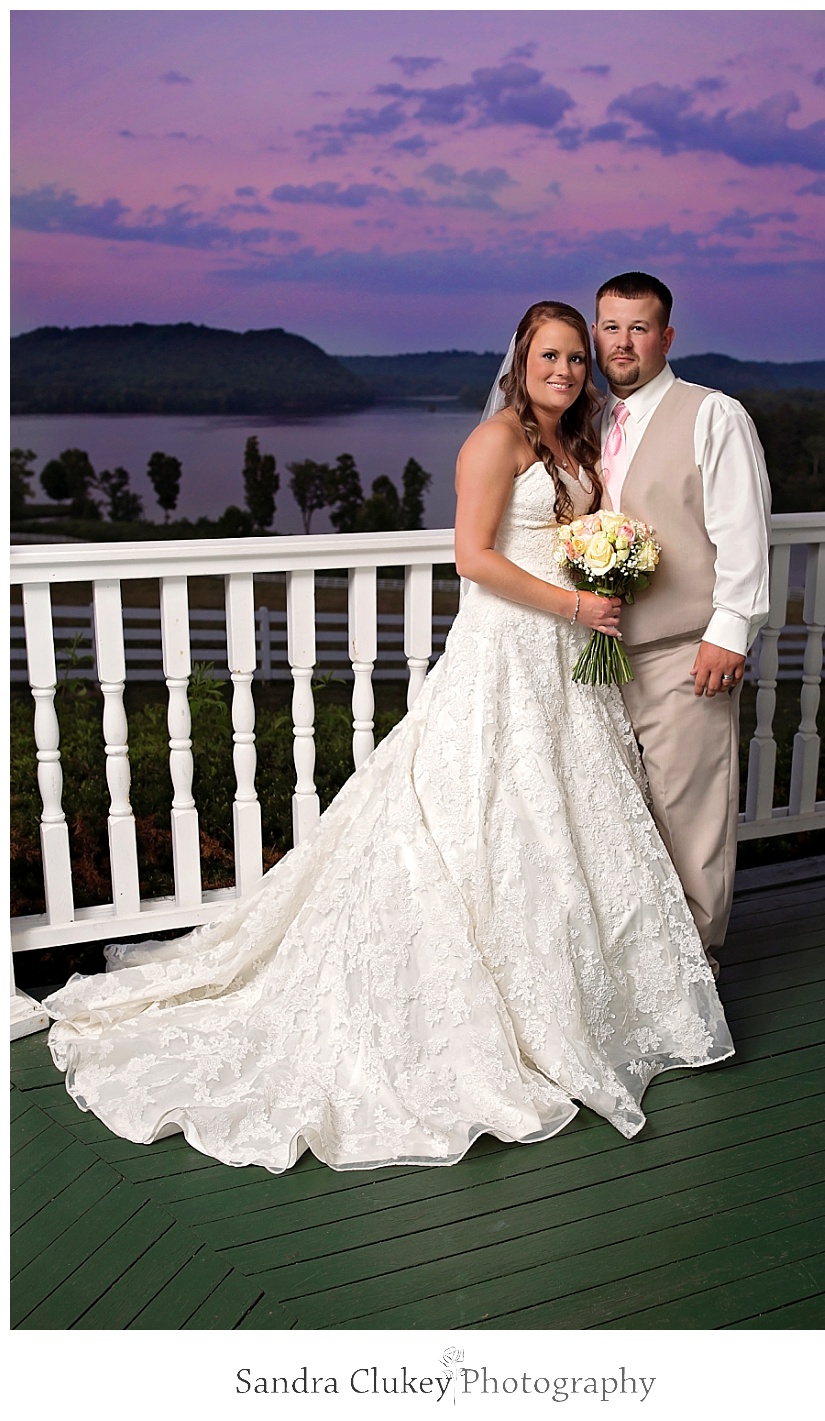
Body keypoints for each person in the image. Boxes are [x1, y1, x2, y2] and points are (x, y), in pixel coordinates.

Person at [45, 301, 733, 1175]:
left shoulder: (575, 443)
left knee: (566, 819)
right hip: (508, 650)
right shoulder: (493, 442)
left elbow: (569, 537)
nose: (564, 370)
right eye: (549, 355)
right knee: (478, 809)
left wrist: (603, 575)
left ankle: (587, 1002)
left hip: (567, 661)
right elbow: (473, 557)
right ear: (521, 360)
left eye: (574, 359)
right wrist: (576, 600)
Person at [592, 272, 771, 976]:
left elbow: (744, 531)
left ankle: (696, 977)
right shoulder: (594, 421)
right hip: (603, 657)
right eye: (610, 326)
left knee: (689, 814)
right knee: (621, 818)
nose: (623, 342)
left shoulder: (712, 415)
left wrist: (729, 630)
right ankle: (638, 970)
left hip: (684, 650)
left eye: (639, 328)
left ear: (666, 337)